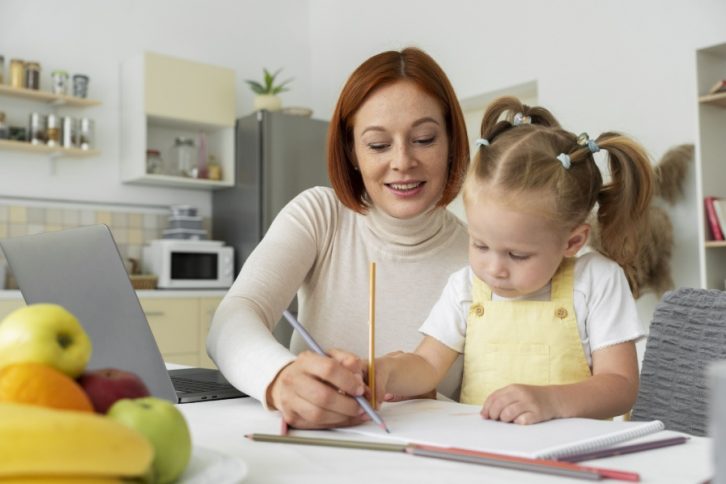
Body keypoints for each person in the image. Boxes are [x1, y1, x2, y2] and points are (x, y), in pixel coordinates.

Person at [207, 47, 470, 429]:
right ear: (352, 152)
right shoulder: (321, 214)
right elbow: (230, 321)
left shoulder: (481, 258)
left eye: (425, 139)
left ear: (450, 143)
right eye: (378, 145)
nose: (402, 161)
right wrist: (280, 378)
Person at [372, 96, 653, 425]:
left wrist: (551, 401)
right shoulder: (465, 286)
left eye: (517, 254)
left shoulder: (597, 280)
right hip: (486, 455)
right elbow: (428, 367)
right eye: (479, 245)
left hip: (570, 460)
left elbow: (621, 387)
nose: (494, 269)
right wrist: (385, 371)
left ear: (573, 242)